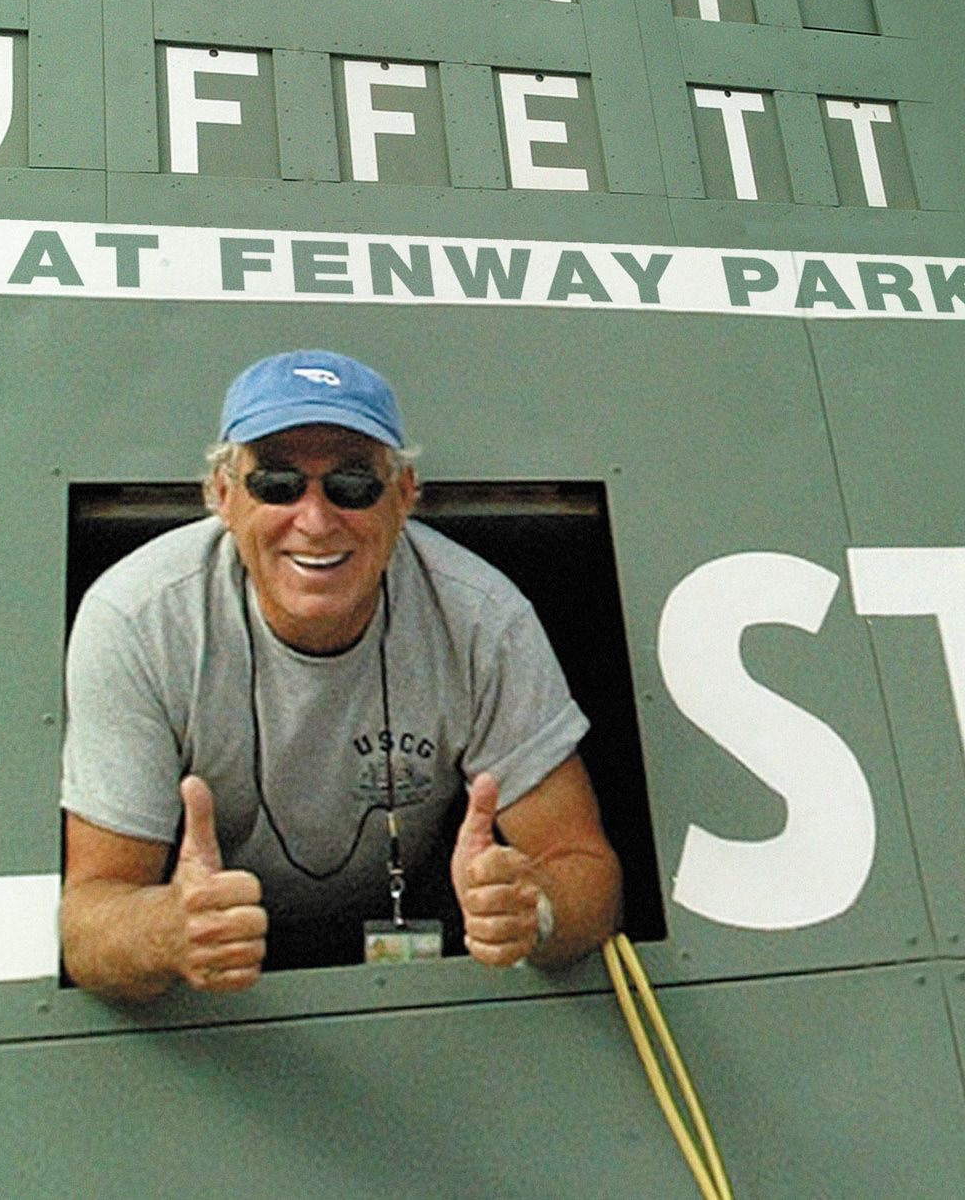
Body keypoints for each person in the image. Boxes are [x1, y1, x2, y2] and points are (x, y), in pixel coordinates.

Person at [59, 349, 622, 998]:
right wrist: (168, 929)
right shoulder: (138, 616)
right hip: (213, 1001)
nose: (316, 520)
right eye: (276, 484)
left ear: (404, 496)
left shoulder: (482, 618)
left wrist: (535, 910)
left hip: (414, 975)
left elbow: (585, 870)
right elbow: (89, 919)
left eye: (353, 485)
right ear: (220, 495)